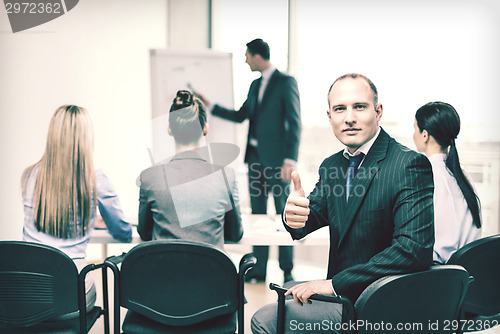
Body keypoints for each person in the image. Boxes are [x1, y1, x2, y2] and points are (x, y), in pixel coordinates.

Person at [251, 73, 435, 333]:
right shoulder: (332, 166)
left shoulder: (407, 164)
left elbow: (413, 250)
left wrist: (333, 284)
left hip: (383, 305)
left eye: (359, 106)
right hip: (343, 301)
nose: (349, 117)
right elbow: (305, 220)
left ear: (378, 111)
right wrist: (291, 215)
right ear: (330, 117)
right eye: (340, 109)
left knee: (264, 320)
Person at [197, 38, 301, 283]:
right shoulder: (255, 86)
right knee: (257, 215)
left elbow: (295, 122)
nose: (245, 60)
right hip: (254, 160)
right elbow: (242, 115)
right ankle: (259, 269)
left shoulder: (286, 83)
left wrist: (290, 159)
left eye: (246, 56)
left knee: (284, 214)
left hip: (277, 161)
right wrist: (210, 106)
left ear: (257, 56)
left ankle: (287, 270)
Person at [22, 105, 132, 315]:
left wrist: (89, 218)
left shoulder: (29, 176)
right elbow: (122, 232)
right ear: (86, 138)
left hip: (28, 291)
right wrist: (94, 219)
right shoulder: (95, 178)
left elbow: (50, 214)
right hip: (69, 293)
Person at [138, 90, 243, 250]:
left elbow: (145, 234)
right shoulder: (226, 176)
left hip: (163, 273)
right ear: (205, 128)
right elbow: (235, 234)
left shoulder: (149, 177)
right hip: (211, 273)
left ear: (169, 129)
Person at [413, 101, 481, 263]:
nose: (413, 135)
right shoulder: (463, 175)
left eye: (414, 128)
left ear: (424, 135)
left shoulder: (427, 174)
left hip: (440, 275)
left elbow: (443, 249)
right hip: (464, 274)